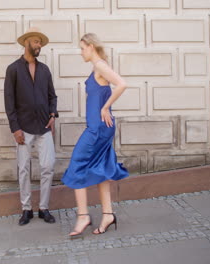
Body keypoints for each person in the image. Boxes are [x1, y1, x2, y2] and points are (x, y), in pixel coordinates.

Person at [61, 33, 129, 237]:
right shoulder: (97, 67)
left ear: (91, 47)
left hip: (97, 129)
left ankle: (83, 216)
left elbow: (122, 84)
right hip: (100, 127)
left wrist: (106, 107)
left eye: (82, 48)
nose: (81, 52)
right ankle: (107, 214)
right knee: (101, 168)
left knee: (76, 166)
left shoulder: (99, 65)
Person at [4, 27, 58, 226]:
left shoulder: (44, 70)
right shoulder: (13, 69)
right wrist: (15, 128)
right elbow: (9, 101)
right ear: (26, 42)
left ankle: (44, 208)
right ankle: (26, 209)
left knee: (48, 166)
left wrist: (53, 114)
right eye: (36, 42)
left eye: (40, 43)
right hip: (23, 127)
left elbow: (52, 96)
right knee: (24, 169)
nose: (39, 46)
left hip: (44, 126)